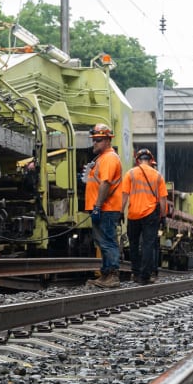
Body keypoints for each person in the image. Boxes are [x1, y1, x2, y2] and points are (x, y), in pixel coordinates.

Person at [121, 148, 168, 285]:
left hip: (133, 214)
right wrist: (163, 216)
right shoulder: (158, 176)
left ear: (138, 160)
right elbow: (163, 199)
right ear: (150, 160)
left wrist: (120, 213)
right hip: (150, 214)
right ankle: (145, 276)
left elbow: (124, 195)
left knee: (134, 244)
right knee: (148, 244)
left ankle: (135, 273)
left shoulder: (130, 174)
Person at [84, 123, 123, 288]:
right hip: (104, 207)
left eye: (98, 140)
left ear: (108, 140)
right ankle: (106, 274)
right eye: (94, 140)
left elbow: (105, 183)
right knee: (103, 241)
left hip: (106, 208)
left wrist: (98, 206)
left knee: (107, 241)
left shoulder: (109, 158)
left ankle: (112, 275)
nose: (95, 143)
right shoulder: (102, 158)